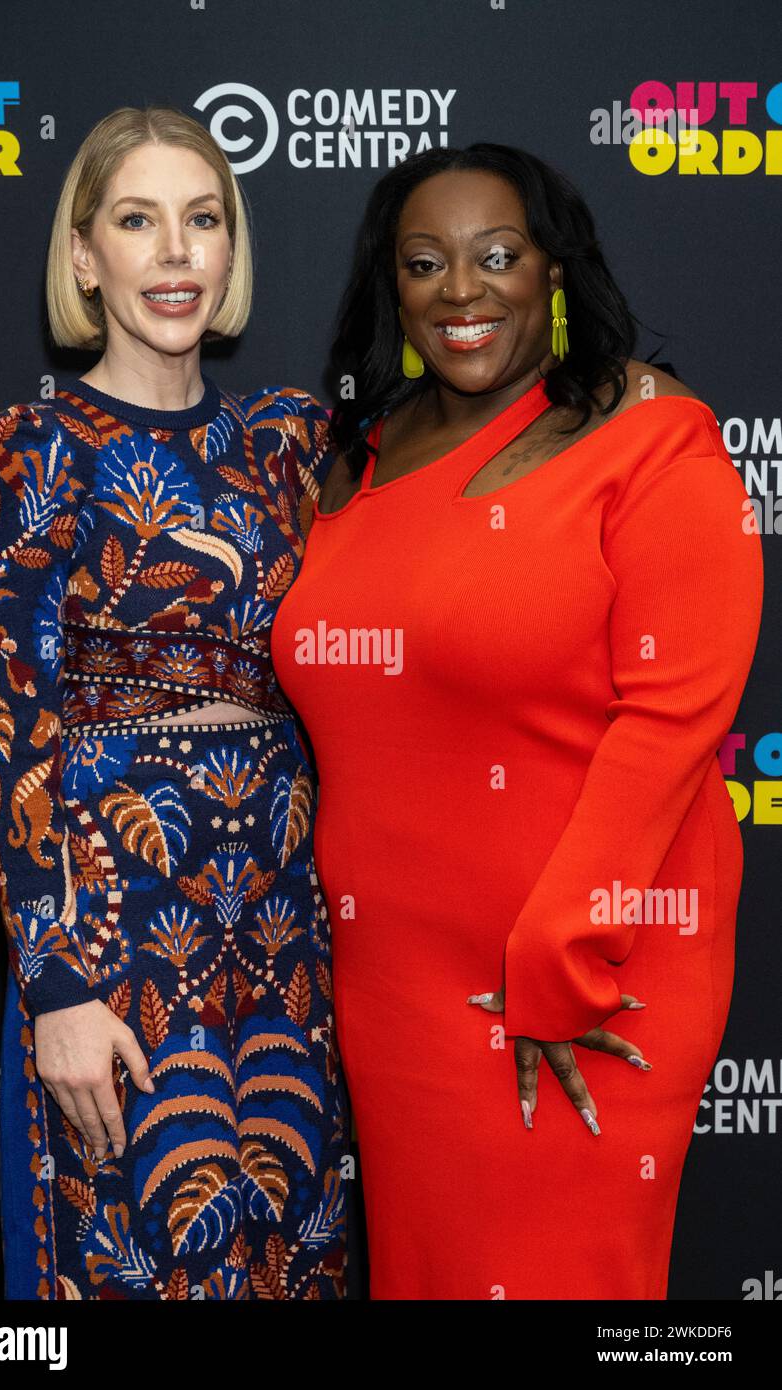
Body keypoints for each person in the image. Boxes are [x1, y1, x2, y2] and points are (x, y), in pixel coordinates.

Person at [269, 143, 764, 1299]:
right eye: (425, 263)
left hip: (572, 985)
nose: (461, 290)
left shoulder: (647, 434)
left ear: (553, 270)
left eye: (497, 256)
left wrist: (564, 948)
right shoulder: (357, 460)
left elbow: (675, 712)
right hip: (393, 991)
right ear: (389, 289)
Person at [0, 105, 348, 1301]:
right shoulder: (18, 453)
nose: (174, 253)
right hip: (113, 928)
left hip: (282, 935)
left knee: (280, 1248)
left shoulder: (292, 447)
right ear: (82, 256)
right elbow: (7, 729)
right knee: (127, 1252)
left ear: (229, 250)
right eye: (136, 220)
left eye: (201, 220)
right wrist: (56, 984)